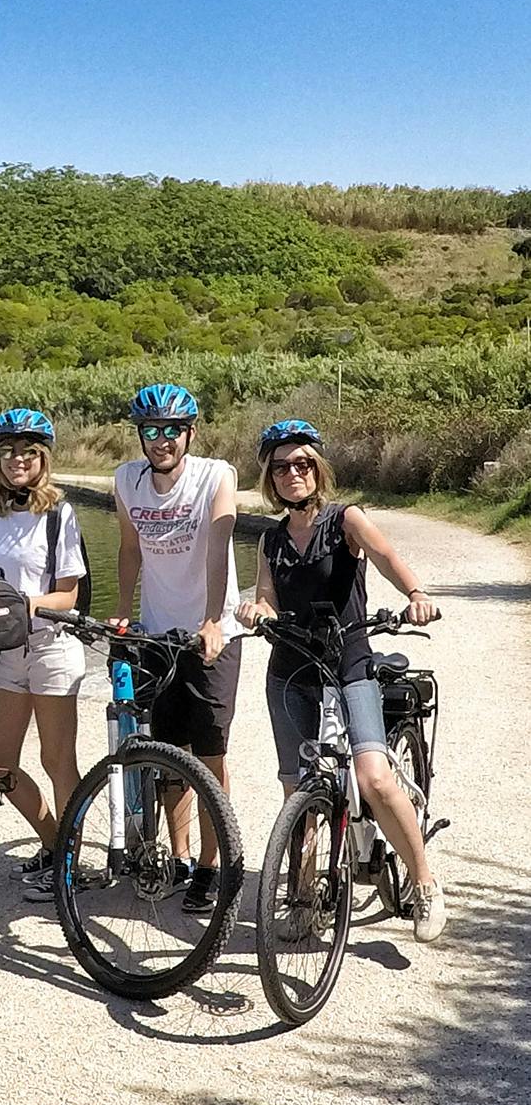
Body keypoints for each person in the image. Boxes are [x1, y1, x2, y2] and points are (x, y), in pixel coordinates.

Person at [236, 419, 447, 943]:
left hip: (349, 664)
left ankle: (424, 882)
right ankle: (304, 896)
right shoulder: (270, 540)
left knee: (374, 779)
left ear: (318, 468)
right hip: (291, 671)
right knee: (298, 789)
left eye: (302, 463)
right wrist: (255, 611)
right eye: (281, 467)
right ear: (270, 478)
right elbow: (267, 598)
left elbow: (386, 557)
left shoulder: (345, 520)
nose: (292, 473)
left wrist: (416, 594)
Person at [111, 382, 243, 914]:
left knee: (210, 756)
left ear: (190, 433)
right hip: (157, 633)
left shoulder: (216, 475)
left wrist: (212, 620)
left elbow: (218, 546)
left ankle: (214, 864)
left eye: (172, 430)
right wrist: (124, 611)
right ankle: (181, 856)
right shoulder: (126, 479)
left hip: (211, 636)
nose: (161, 440)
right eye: (151, 431)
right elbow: (129, 548)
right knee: (169, 755)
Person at [0, 409, 89, 904]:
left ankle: (70, 870)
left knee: (57, 760)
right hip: (8, 650)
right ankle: (56, 844)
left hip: (50, 647)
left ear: (43, 458)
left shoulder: (60, 513)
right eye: (7, 452)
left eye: (27, 452)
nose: (16, 460)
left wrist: (25, 604)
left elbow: (69, 594)